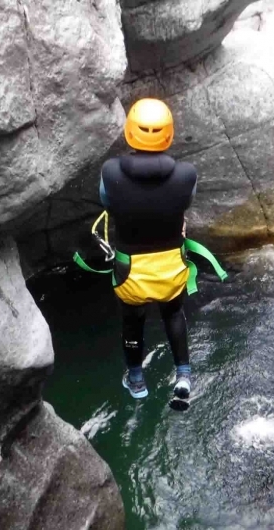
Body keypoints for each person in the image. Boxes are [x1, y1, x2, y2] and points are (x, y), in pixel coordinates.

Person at [98, 98, 196, 401]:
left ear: (130, 132)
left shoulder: (110, 171)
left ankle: (137, 380)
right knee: (173, 312)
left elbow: (106, 201)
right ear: (168, 134)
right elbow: (184, 203)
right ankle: (183, 375)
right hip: (170, 266)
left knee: (133, 320)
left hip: (131, 271)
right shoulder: (186, 174)